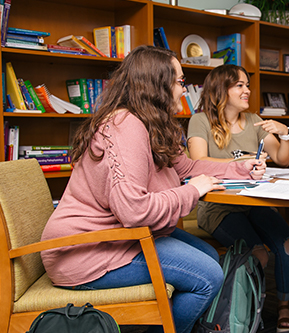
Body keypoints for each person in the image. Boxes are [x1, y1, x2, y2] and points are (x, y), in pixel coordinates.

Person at [40, 46, 266, 333]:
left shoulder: (150, 123)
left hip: (119, 238)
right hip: (87, 251)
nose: (184, 91)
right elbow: (134, 210)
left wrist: (239, 168)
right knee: (208, 276)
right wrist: (191, 192)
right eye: (180, 82)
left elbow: (185, 168)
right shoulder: (125, 126)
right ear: (158, 85)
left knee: (210, 257)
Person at [186, 64, 289, 332]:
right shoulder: (200, 121)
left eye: (247, 85)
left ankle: (284, 305)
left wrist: (285, 133)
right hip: (219, 208)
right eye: (240, 85)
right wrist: (244, 162)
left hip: (254, 203)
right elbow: (198, 163)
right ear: (221, 90)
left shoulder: (255, 121)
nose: (247, 90)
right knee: (258, 253)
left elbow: (282, 158)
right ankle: (246, 311)